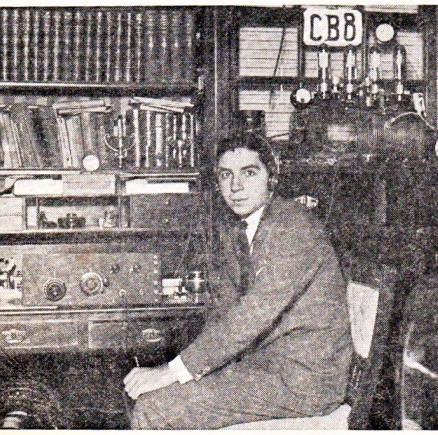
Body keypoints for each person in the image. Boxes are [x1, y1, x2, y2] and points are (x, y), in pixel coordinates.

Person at [124, 134, 352, 429]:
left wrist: (172, 371)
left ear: (272, 178)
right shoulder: (243, 228)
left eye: (249, 173)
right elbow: (225, 313)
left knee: (154, 408)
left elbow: (251, 316)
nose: (236, 186)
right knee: (151, 394)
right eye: (225, 175)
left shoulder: (294, 228)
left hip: (304, 380)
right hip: (265, 365)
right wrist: (184, 369)